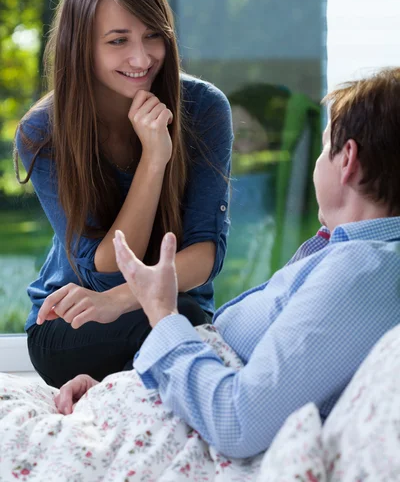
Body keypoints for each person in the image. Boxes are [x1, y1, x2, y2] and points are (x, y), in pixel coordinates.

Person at [55, 68, 400, 459]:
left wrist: (162, 312)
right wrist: (121, 386)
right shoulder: (355, 259)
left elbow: (237, 423)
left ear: (348, 160)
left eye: (324, 148)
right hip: (144, 407)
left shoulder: (361, 274)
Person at [14, 0, 233, 389]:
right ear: (82, 45)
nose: (141, 56)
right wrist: (154, 160)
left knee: (184, 318)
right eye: (117, 40)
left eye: (153, 35)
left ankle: (107, 394)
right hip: (75, 326)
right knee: (178, 326)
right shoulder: (42, 132)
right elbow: (104, 270)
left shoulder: (205, 108)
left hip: (169, 309)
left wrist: (118, 301)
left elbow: (205, 256)